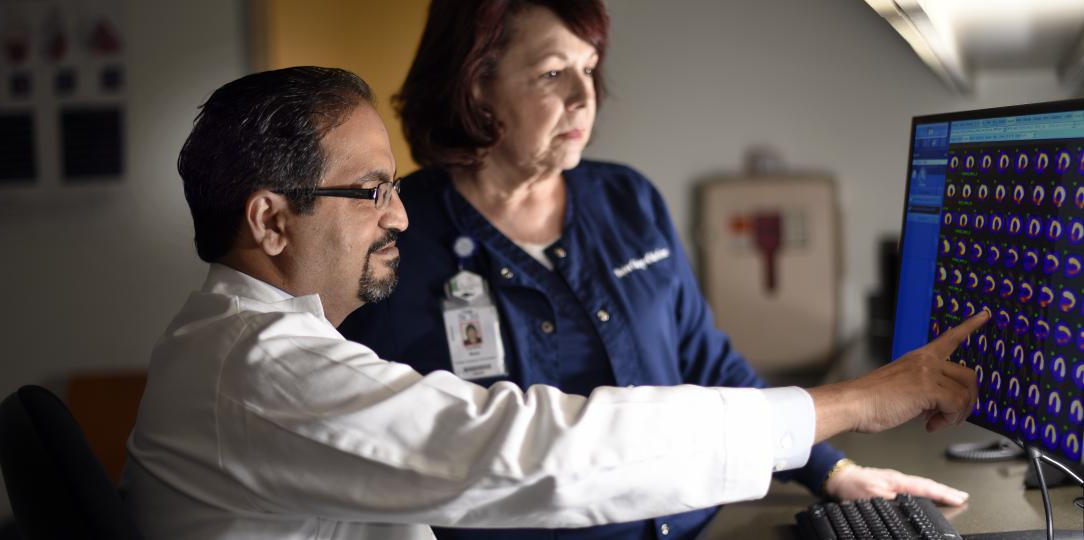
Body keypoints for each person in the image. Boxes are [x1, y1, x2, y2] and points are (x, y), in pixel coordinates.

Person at [122, 65, 985, 540]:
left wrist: (824, 457)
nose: (400, 212)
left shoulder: (259, 347)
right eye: (371, 190)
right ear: (271, 220)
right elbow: (530, 451)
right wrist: (859, 402)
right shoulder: (259, 371)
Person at [338, 2, 972, 539]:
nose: (586, 97)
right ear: (475, 84)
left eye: (589, 68)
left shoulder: (627, 199)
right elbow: (372, 441)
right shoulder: (393, 234)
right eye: (553, 73)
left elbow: (706, 360)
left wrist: (832, 471)